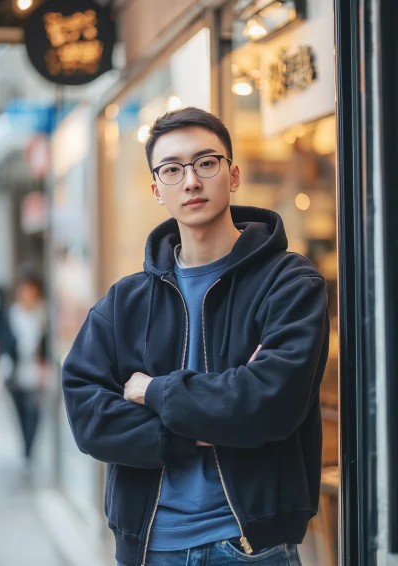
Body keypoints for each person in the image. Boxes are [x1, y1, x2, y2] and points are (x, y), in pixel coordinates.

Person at [63, 107, 329, 566]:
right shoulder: (125, 302)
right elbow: (89, 418)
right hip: (150, 547)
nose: (191, 180)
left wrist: (151, 390)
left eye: (206, 162)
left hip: (251, 547)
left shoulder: (289, 282)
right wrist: (199, 429)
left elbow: (269, 402)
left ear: (234, 175)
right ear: (156, 189)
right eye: (172, 169)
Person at [8, 274, 47, 464]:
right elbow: (8, 342)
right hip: (15, 374)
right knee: (21, 412)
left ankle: (29, 450)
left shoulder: (42, 313)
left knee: (34, 413)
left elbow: (45, 343)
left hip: (36, 374)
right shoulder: (12, 314)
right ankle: (26, 448)